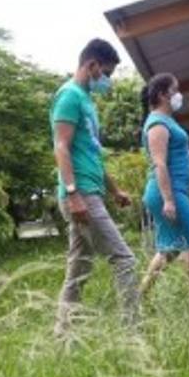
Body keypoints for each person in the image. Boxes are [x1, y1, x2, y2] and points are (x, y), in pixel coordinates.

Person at [51, 38, 138, 334]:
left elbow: (92, 156)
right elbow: (61, 147)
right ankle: (133, 333)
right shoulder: (69, 97)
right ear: (92, 65)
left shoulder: (86, 101)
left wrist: (114, 191)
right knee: (125, 259)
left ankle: (62, 334)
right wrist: (74, 195)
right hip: (82, 195)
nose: (108, 81)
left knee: (79, 267)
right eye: (107, 73)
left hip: (90, 190)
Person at [138, 73, 189, 300]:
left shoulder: (165, 121)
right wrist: (168, 200)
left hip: (171, 190)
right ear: (162, 95)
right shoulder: (157, 123)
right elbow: (159, 163)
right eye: (175, 90)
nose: (179, 95)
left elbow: (171, 154)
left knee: (170, 249)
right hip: (169, 192)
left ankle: (140, 296)